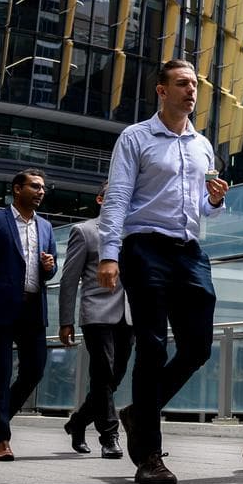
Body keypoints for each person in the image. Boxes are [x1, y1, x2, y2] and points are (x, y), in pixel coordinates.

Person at [98, 59, 230, 484]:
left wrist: (215, 199)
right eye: (182, 84)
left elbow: (207, 205)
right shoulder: (136, 137)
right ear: (161, 90)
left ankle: (138, 412)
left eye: (194, 84)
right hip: (144, 247)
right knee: (152, 347)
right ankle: (148, 455)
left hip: (189, 250)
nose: (191, 91)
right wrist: (109, 254)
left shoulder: (203, 145)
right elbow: (117, 197)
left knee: (198, 347)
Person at [0, 169, 58, 461]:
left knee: (35, 369)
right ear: (17, 189)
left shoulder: (46, 226)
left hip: (33, 308)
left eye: (43, 187)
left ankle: (1, 414)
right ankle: (1, 440)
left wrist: (49, 267)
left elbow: (51, 271)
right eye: (35, 186)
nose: (41, 191)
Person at [59, 181, 134, 459]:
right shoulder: (85, 231)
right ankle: (110, 436)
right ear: (101, 201)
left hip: (128, 314)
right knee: (102, 374)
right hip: (97, 313)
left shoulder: (135, 232)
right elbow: (69, 279)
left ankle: (77, 422)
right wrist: (66, 319)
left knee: (115, 376)